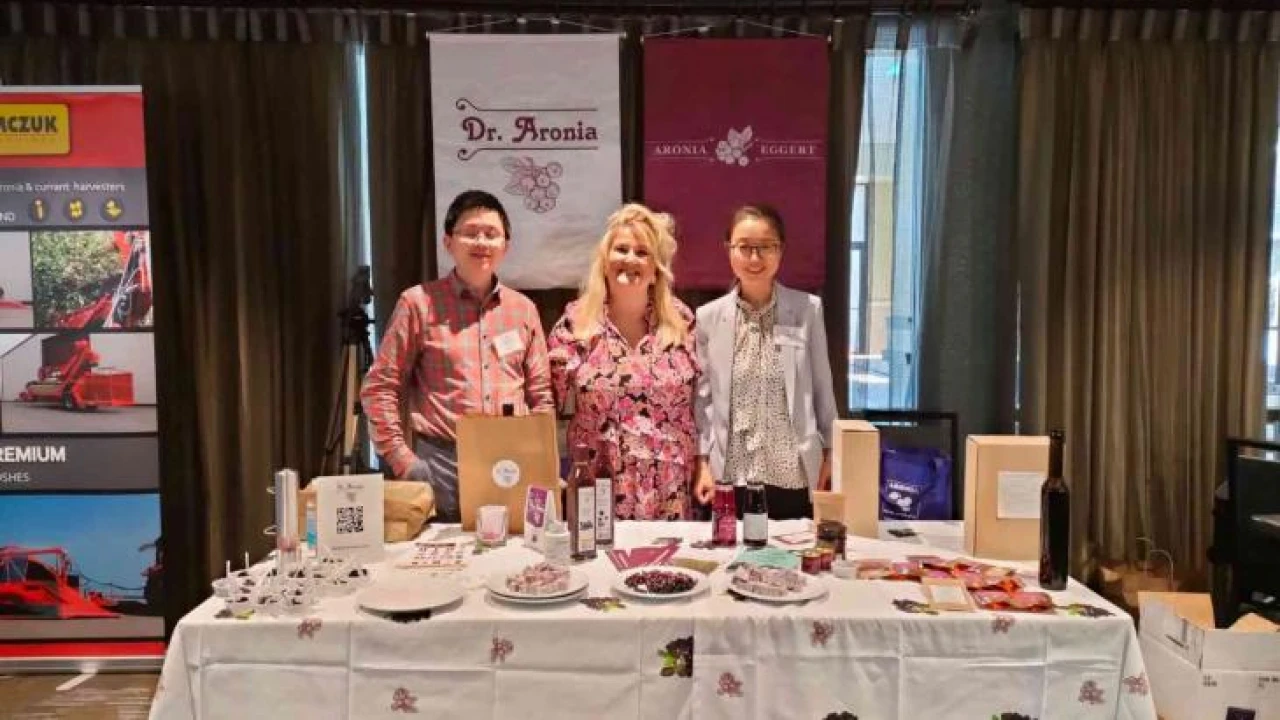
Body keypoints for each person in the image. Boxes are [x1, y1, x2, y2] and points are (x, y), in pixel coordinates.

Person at [361, 190, 553, 522]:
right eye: (471, 232)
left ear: (506, 246)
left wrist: (541, 459)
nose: (482, 241)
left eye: (491, 234)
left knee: (513, 552)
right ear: (448, 242)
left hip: (513, 461)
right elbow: (380, 387)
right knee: (442, 554)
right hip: (441, 463)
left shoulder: (522, 310)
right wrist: (403, 460)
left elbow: (541, 394)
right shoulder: (418, 304)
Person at [548, 203, 699, 520]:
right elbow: (546, 402)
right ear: (604, 260)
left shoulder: (682, 321)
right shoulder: (576, 323)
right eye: (621, 249)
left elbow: (704, 402)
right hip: (597, 485)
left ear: (656, 268)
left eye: (642, 252)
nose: (630, 259)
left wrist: (706, 465)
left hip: (669, 488)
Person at [693, 204, 838, 520]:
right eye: (744, 247)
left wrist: (831, 454)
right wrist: (702, 463)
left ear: (781, 250)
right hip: (732, 474)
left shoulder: (807, 310)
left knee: (795, 549)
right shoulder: (708, 318)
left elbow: (823, 388)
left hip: (793, 473)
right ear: (729, 250)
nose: (755, 258)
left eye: (766, 247)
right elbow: (704, 401)